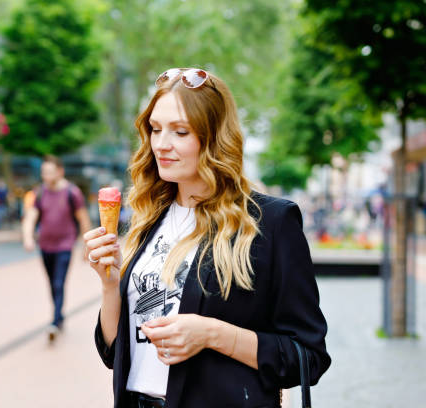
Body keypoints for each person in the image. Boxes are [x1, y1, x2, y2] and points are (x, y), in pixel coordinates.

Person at [83, 68, 331, 407]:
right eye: (155, 129)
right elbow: (117, 354)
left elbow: (308, 356)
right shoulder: (152, 215)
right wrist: (111, 285)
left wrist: (212, 335)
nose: (161, 144)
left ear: (214, 137)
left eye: (180, 131)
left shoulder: (269, 222)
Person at [22, 155, 91, 341]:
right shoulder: (40, 193)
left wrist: (87, 246)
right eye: (43, 172)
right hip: (45, 246)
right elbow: (31, 217)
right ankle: (59, 316)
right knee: (52, 282)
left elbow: (83, 219)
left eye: (50, 172)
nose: (46, 175)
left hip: (65, 245)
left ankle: (55, 320)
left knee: (59, 282)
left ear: (60, 171)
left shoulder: (72, 193)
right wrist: (28, 237)